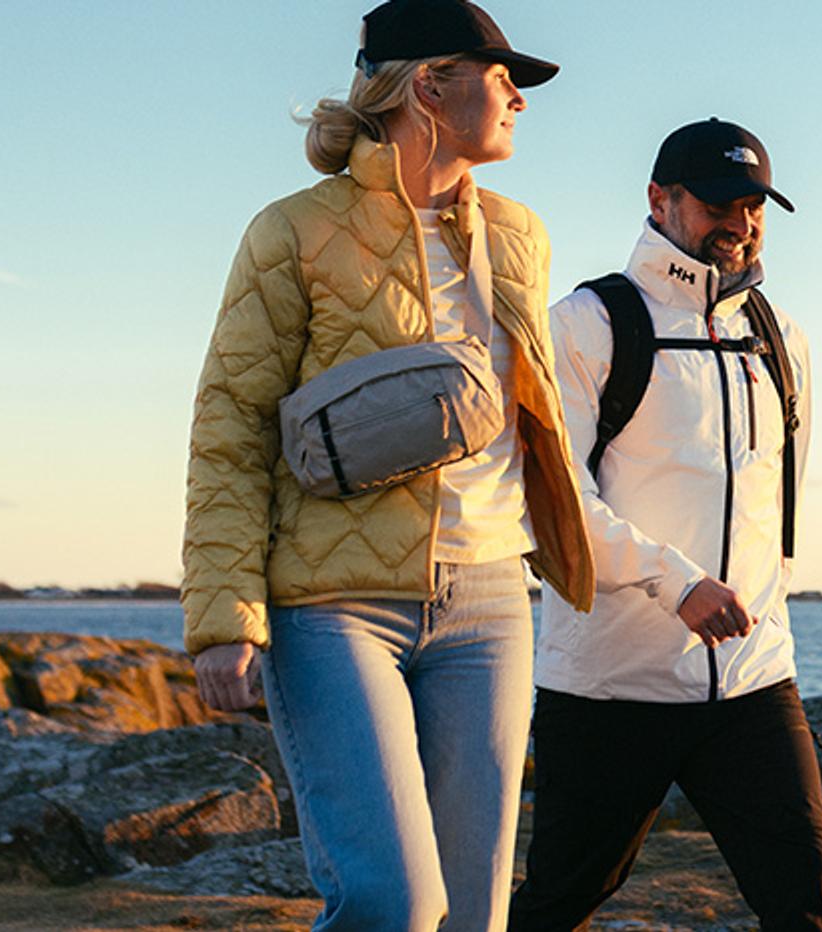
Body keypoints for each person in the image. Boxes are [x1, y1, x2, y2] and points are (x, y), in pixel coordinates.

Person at [180, 2, 595, 929]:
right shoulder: (292, 231)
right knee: (389, 903)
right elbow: (231, 425)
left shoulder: (520, 234)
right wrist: (223, 615)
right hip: (332, 604)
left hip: (490, 600)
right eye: (501, 78)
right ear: (428, 88)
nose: (519, 100)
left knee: (471, 914)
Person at [507, 118, 822, 931]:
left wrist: (769, 599)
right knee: (559, 902)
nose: (741, 221)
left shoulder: (778, 335)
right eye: (718, 201)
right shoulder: (586, 325)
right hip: (609, 683)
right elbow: (551, 503)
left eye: (755, 203)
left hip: (753, 681)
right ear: (659, 200)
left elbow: (784, 497)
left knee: (807, 903)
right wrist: (678, 581)